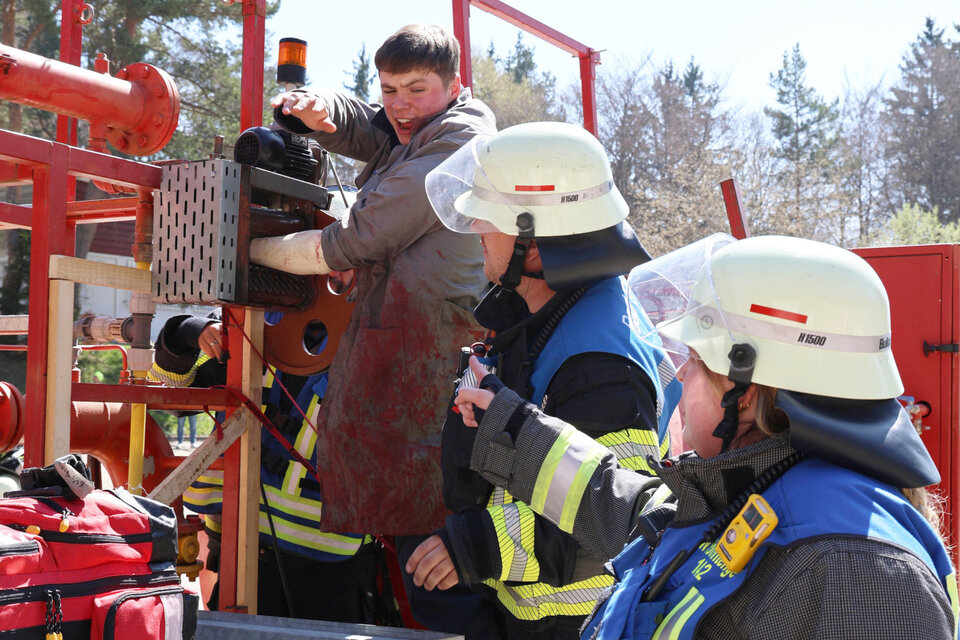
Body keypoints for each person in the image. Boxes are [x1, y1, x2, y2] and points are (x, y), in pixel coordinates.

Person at [453, 235, 958, 639]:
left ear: (746, 389)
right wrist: (515, 426)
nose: (680, 375)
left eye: (695, 360)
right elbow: (641, 516)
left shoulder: (856, 574)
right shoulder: (763, 490)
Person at [405, 121, 682, 639]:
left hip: (578, 622)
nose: (476, 228)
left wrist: (476, 545)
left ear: (533, 237)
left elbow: (613, 527)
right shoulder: (556, 314)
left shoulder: (600, 363)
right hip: (537, 611)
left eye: (489, 216)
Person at [249, 23, 495, 540]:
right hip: (403, 342)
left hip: (430, 352)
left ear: (454, 87)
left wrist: (249, 251)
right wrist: (322, 109)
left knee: (426, 518)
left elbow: (356, 240)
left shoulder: (458, 146)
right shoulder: (418, 125)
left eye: (416, 90)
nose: (400, 105)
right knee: (401, 514)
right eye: (389, 89)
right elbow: (371, 124)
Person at [149, 312, 397, 624]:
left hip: (329, 570)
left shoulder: (376, 339)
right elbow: (168, 397)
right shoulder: (250, 325)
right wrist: (188, 332)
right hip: (241, 552)